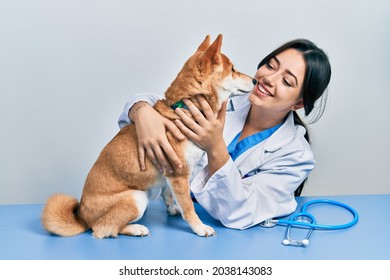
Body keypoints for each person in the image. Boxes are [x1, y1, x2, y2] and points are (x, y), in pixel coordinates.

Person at [118, 39, 331, 230]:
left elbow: (241, 212)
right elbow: (165, 104)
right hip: (166, 221)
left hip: (221, 236)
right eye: (270, 66)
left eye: (286, 81)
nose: (268, 78)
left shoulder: (295, 156)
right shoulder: (221, 100)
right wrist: (140, 110)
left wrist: (215, 147)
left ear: (299, 103)